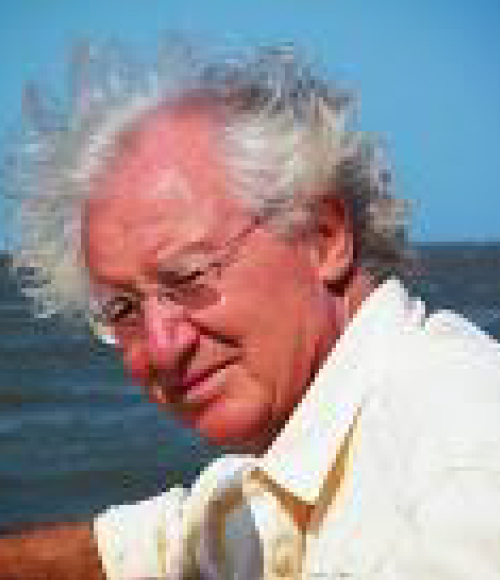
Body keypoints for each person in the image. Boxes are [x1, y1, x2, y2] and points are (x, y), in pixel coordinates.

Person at [1, 38, 499, 580]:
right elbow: (157, 546)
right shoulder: (300, 470)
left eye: (188, 278)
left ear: (324, 236)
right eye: (122, 310)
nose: (163, 349)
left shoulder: (457, 464)